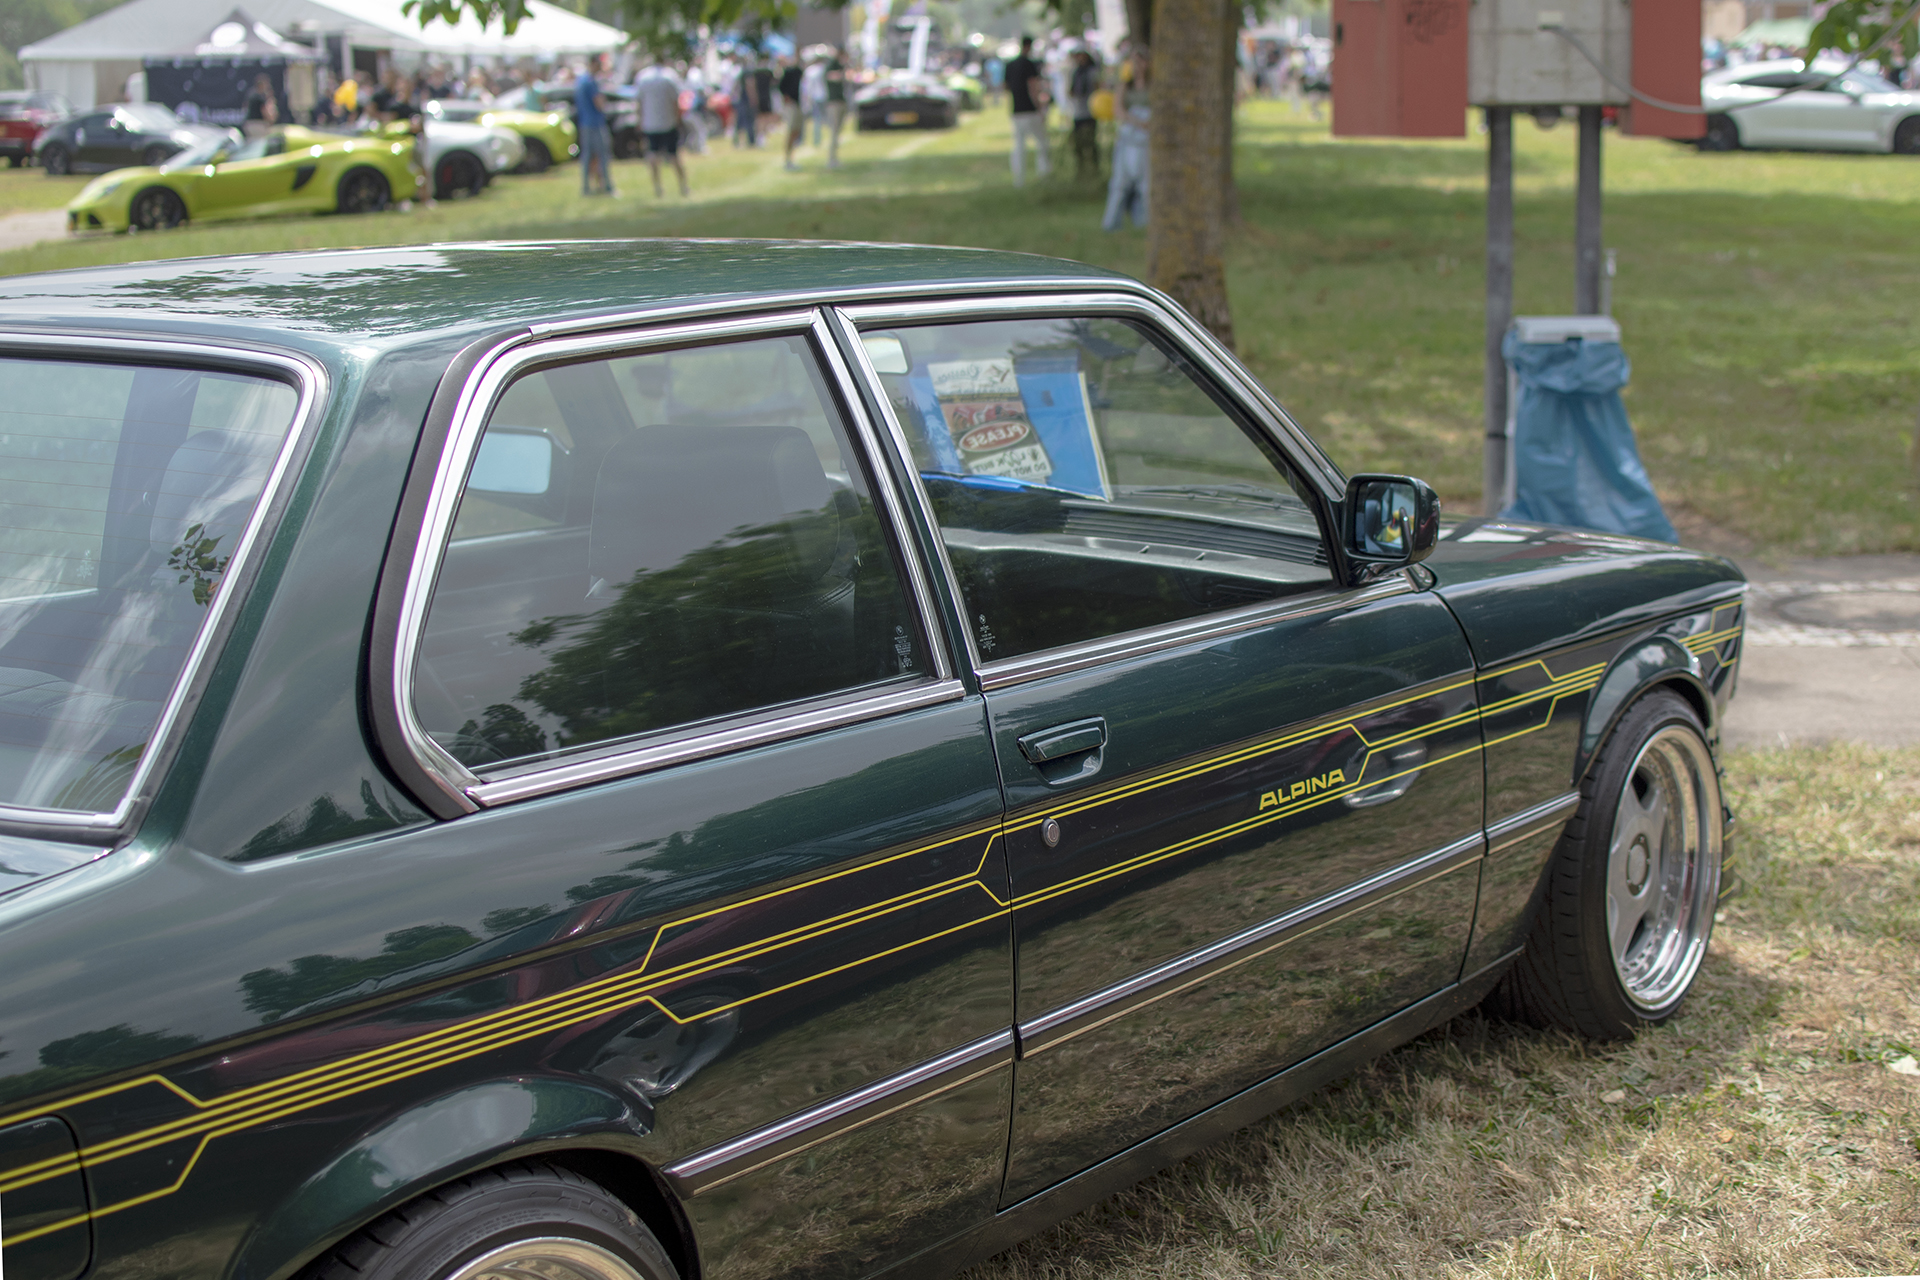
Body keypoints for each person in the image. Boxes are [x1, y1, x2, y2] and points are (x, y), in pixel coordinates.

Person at [1103, 49, 1148, 230]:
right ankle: (1111, 223)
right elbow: (1118, 110)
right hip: (1129, 137)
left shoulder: (1152, 86)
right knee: (1119, 183)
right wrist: (1137, 121)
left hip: (1146, 140)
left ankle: (1144, 222)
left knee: (1146, 185)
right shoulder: (1124, 85)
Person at [633, 56, 689, 197]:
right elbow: (676, 100)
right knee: (674, 155)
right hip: (668, 121)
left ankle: (657, 187)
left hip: (650, 123)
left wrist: (640, 121)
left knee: (653, 156)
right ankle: (683, 186)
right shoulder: (669, 76)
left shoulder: (643, 78)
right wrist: (678, 120)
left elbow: (638, 102)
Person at [1005, 36, 1050, 187]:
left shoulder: (1010, 65)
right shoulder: (1029, 64)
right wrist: (1039, 106)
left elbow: (1006, 87)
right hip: (1030, 110)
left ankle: (1019, 178)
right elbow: (1033, 86)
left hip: (1017, 110)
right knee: (1042, 143)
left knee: (1019, 145)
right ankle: (1044, 173)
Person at [576, 56, 616, 195]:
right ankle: (608, 187)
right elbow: (599, 103)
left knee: (587, 156)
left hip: (584, 123)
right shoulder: (591, 82)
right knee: (603, 155)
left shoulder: (581, 81)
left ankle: (586, 188)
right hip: (595, 123)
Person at [1068, 49, 1099, 178]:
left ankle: (1095, 168)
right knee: (1078, 143)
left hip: (1090, 110)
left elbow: (1097, 87)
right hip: (1078, 111)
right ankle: (1081, 169)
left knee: (1091, 141)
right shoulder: (1076, 73)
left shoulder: (1092, 72)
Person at [822, 45, 849, 168]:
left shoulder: (841, 65)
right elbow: (829, 76)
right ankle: (831, 159)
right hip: (833, 103)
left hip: (841, 101)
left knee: (838, 132)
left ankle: (835, 158)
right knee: (833, 132)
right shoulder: (832, 65)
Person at [777, 55, 805, 171]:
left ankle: (791, 157)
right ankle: (788, 159)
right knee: (791, 130)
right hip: (792, 105)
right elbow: (781, 87)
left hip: (799, 104)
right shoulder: (789, 72)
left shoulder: (800, 72)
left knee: (796, 132)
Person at [733, 57, 759, 147]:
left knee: (740, 122)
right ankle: (751, 141)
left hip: (741, 99)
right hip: (746, 100)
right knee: (749, 121)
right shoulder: (748, 72)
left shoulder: (741, 72)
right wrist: (753, 98)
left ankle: (737, 141)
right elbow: (749, 85)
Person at [243, 73, 279, 139]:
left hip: (249, 124)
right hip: (258, 124)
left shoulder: (251, 94)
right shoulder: (261, 96)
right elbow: (265, 111)